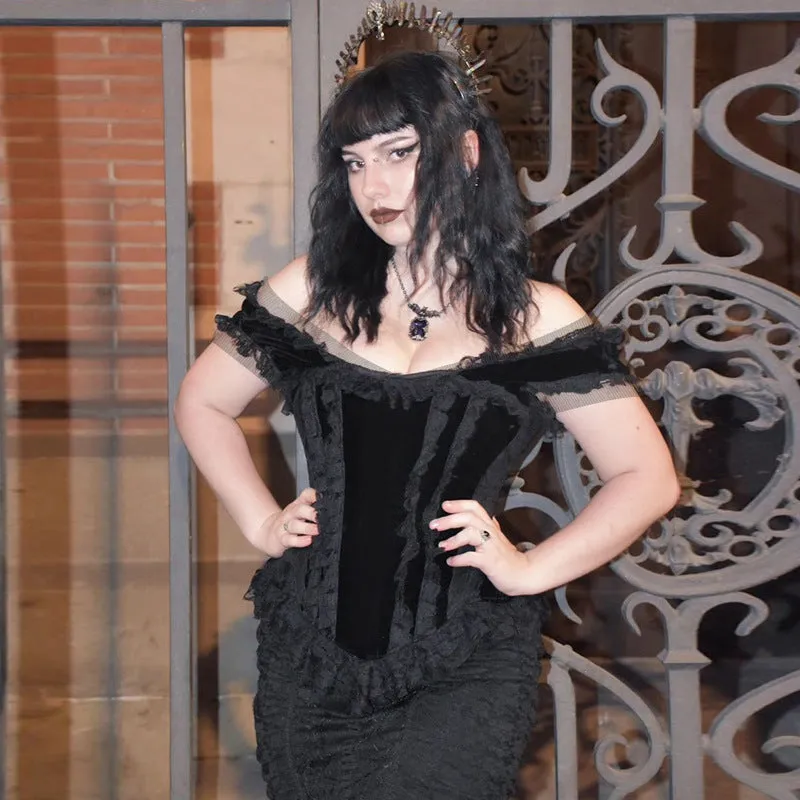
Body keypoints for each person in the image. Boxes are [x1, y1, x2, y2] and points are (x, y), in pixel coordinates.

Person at [175, 41, 679, 800]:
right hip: (310, 650)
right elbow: (202, 402)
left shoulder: (535, 318)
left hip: (464, 652)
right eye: (354, 162)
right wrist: (260, 520)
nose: (373, 186)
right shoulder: (311, 292)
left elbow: (646, 478)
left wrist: (530, 569)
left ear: (465, 153)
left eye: (399, 153)